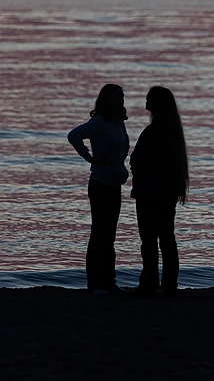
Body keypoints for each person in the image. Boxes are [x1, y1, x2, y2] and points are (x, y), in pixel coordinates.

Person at [68, 84, 130, 296]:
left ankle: (110, 281)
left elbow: (124, 146)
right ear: (107, 99)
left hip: (114, 185)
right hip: (100, 184)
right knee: (99, 234)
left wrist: (119, 164)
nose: (121, 100)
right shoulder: (98, 123)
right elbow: (74, 135)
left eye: (122, 97)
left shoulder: (118, 122)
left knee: (110, 235)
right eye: (117, 97)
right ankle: (95, 284)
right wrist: (90, 157)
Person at [129, 86, 189, 298]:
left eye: (149, 99)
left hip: (149, 192)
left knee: (149, 240)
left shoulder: (152, 132)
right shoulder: (172, 132)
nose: (145, 102)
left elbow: (137, 161)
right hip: (167, 192)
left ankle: (149, 283)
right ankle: (169, 284)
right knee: (166, 238)